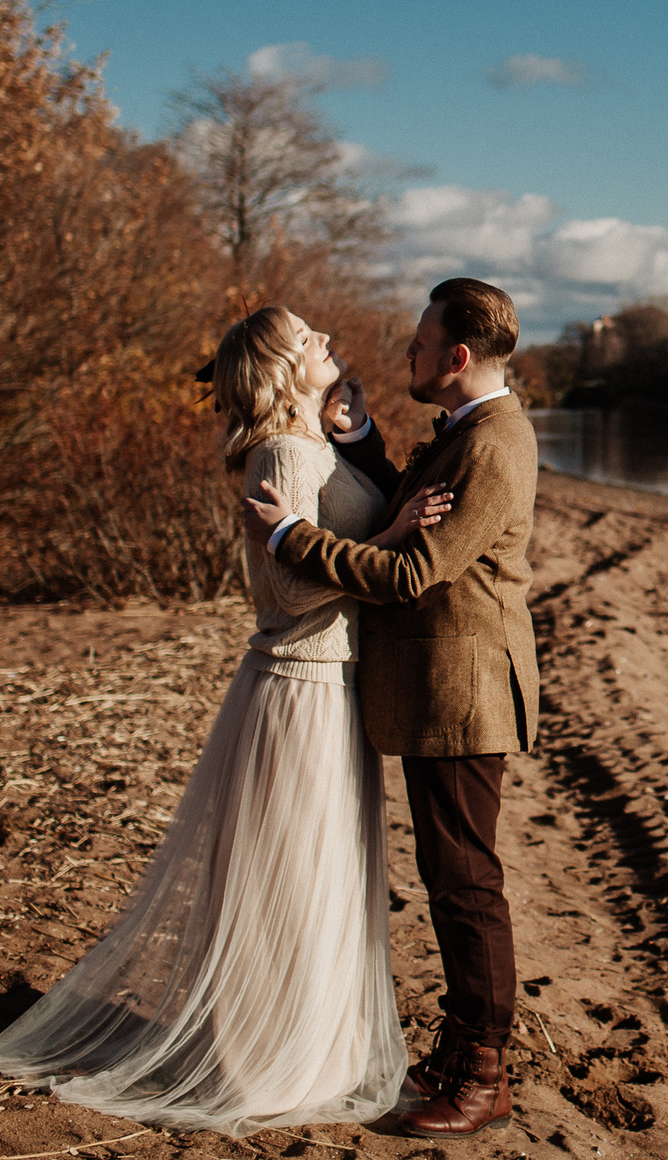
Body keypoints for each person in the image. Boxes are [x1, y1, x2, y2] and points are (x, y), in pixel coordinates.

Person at [0, 307, 452, 1134]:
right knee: (290, 880)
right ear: (281, 370)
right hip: (299, 688)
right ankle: (273, 1058)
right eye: (305, 338)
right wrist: (393, 538)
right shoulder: (283, 453)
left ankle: (309, 1050)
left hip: (330, 685)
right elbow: (292, 591)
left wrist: (361, 447)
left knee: (318, 876)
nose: (323, 338)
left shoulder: (313, 445)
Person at [241, 276, 541, 1140]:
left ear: (457, 355)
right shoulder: (470, 430)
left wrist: (292, 538)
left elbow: (413, 570)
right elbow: (409, 512)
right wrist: (363, 440)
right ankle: (459, 1056)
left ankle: (482, 1074)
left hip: (464, 691)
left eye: (419, 343)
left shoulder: (494, 444)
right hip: (441, 686)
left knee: (467, 883)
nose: (407, 352)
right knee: (452, 878)